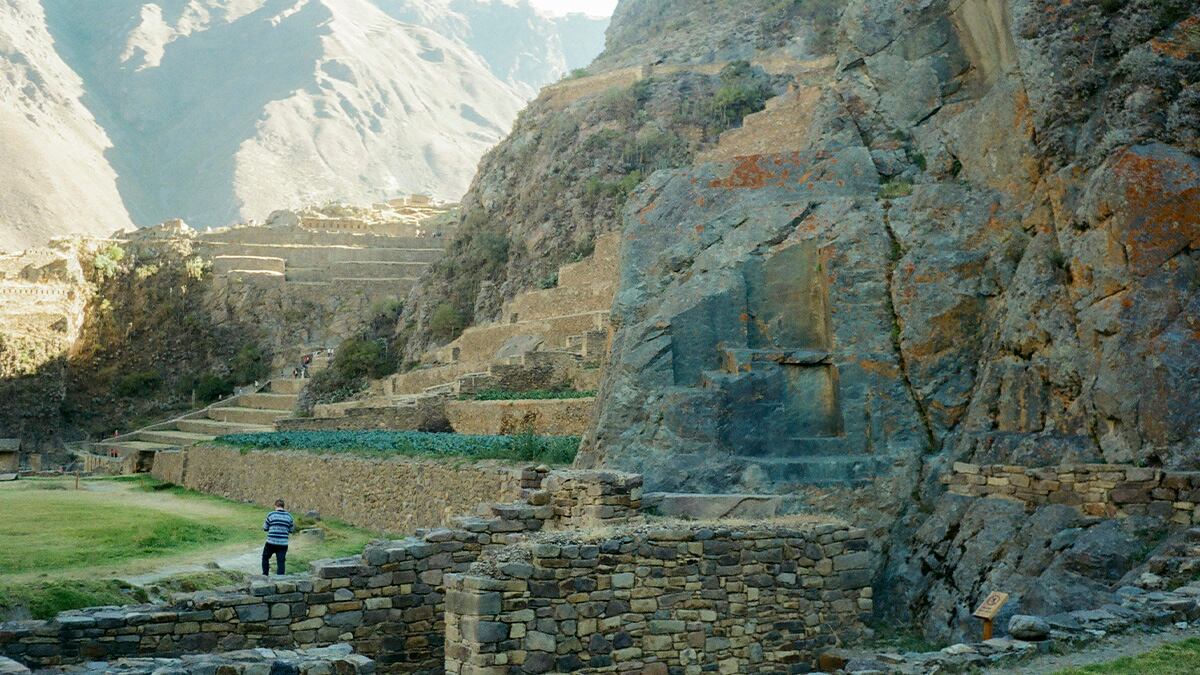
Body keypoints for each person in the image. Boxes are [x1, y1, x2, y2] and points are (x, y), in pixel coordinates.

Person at [262, 499, 295, 575]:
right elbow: (291, 530)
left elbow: (265, 528)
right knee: (281, 561)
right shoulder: (289, 516)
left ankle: (265, 575)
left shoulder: (271, 515)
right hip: (283, 543)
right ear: (283, 506)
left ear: (275, 506)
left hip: (271, 542)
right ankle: (280, 578)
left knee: (265, 557)